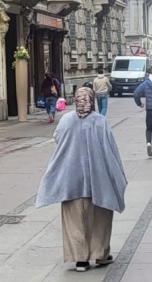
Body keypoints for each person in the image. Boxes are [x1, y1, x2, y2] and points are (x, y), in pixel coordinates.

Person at [36, 87, 127, 272]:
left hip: (72, 179)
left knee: (74, 220)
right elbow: (110, 147)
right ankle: (100, 254)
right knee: (100, 217)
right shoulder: (100, 121)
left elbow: (57, 138)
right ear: (92, 100)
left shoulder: (67, 120)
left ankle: (80, 260)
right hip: (97, 180)